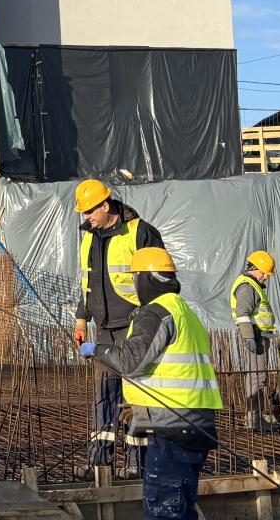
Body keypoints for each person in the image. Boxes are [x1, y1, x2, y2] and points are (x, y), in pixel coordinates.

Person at [84, 247, 221, 520]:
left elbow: (130, 361)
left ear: (144, 279)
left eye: (135, 278)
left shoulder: (156, 312)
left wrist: (96, 349)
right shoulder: (186, 312)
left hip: (173, 428)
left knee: (163, 511)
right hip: (196, 424)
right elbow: (169, 370)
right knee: (182, 509)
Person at [73, 178, 164, 475]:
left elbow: (159, 279)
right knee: (103, 394)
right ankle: (100, 463)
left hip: (135, 326)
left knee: (135, 395)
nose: (86, 218)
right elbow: (88, 282)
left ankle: (137, 463)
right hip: (105, 329)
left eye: (89, 212)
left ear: (105, 205)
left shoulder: (139, 233)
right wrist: (81, 319)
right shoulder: (89, 237)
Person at [230, 250, 279, 432]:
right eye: (264, 273)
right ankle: (253, 420)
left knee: (259, 377)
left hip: (259, 337)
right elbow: (242, 314)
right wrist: (249, 337)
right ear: (254, 268)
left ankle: (255, 418)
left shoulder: (252, 285)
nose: (266, 277)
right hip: (255, 337)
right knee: (256, 378)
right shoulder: (247, 286)